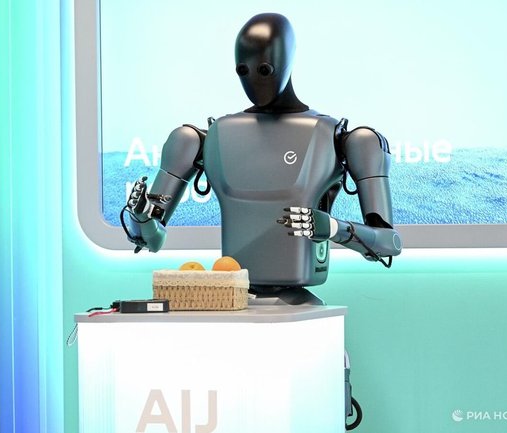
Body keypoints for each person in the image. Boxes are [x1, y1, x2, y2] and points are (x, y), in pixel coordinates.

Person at [122, 13, 401, 305]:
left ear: (286, 60)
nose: (254, 80)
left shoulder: (343, 138)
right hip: (233, 302)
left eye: (264, 69)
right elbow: (151, 240)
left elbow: (388, 244)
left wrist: (334, 228)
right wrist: (142, 216)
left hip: (301, 309)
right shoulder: (202, 139)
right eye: (243, 70)